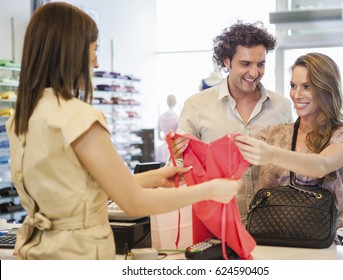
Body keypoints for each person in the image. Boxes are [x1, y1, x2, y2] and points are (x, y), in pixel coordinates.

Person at [5, 2, 240, 260]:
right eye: (94, 50)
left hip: (37, 251)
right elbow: (134, 203)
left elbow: (75, 192)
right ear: (71, 52)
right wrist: (209, 190)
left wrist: (155, 178)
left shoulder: (21, 118)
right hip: (78, 255)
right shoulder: (80, 118)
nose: (96, 63)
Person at [171, 20, 293, 218]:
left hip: (274, 222)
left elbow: (292, 161)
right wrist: (179, 156)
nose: (254, 73)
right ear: (226, 61)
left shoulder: (282, 106)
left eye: (260, 64)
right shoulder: (196, 106)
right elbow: (178, 164)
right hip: (217, 222)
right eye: (245, 64)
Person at [234, 52, 343, 230]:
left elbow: (321, 165)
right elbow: (230, 161)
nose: (297, 94)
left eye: (307, 86)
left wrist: (271, 154)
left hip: (321, 241)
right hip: (268, 236)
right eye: (293, 86)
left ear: (326, 88)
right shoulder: (273, 134)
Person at [155, 94, 179, 162]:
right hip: (174, 148)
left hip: (163, 150)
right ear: (175, 103)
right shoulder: (178, 118)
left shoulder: (161, 117)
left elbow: (159, 137)